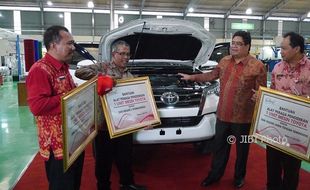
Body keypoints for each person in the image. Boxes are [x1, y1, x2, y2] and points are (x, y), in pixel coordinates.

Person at [178, 31, 267, 188]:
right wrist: (192, 77)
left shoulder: (257, 66)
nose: (234, 46)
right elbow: (211, 75)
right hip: (223, 115)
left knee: (242, 151)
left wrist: (258, 96)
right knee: (219, 148)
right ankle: (214, 175)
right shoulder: (224, 61)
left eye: (239, 44)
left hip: (243, 118)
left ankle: (239, 177)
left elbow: (262, 91)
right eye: (233, 42)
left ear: (248, 46)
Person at [75, 40, 147, 190]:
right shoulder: (103, 66)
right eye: (122, 54)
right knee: (104, 160)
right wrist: (103, 77)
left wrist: (143, 118)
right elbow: (79, 72)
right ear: (114, 54)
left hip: (124, 124)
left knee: (125, 157)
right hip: (105, 125)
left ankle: (127, 184)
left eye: (127, 54)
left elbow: (135, 100)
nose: (125, 57)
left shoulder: (130, 75)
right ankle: (103, 186)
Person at [26, 25, 84, 190]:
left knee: (73, 184)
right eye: (69, 43)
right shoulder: (40, 70)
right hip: (57, 145)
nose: (73, 48)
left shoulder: (63, 67)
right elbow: (37, 106)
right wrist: (72, 98)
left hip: (72, 138)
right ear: (53, 45)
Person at [266, 32, 310, 190]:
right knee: (272, 167)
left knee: (291, 171)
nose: (281, 51)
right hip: (275, 127)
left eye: (284, 48)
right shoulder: (277, 67)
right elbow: (271, 91)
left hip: (296, 130)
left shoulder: (309, 69)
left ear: (297, 48)